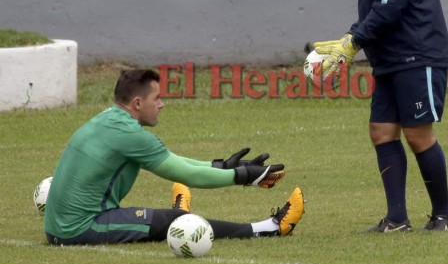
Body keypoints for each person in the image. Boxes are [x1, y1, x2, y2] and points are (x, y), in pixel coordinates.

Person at [313, 0, 448, 232]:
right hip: (391, 59)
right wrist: (351, 36)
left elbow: (390, 5)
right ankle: (396, 220)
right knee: (381, 132)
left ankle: (443, 216)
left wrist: (354, 42)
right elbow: (375, 7)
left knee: (418, 135)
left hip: (416, 55)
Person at [44, 69, 304, 245]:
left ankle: (182, 211)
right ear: (137, 103)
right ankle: (268, 228)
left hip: (61, 226)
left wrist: (221, 165)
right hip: (79, 229)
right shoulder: (131, 136)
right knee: (178, 223)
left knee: (169, 220)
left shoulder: (109, 119)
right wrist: (242, 176)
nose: (161, 104)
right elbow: (185, 174)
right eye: (156, 98)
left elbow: (172, 160)